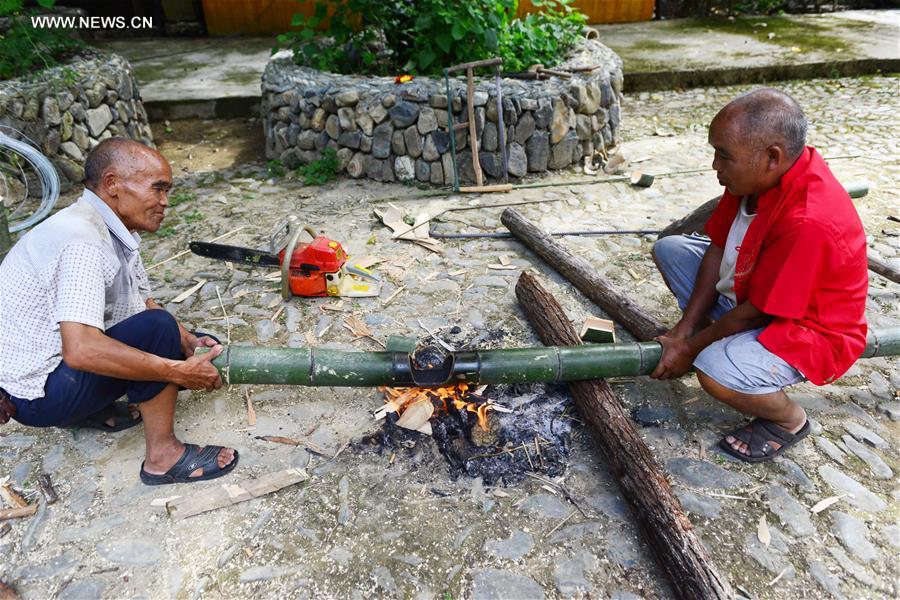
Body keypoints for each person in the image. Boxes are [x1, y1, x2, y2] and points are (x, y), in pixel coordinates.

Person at [0, 138, 238, 485]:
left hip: (43, 372)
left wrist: (187, 340)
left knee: (179, 338)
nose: (164, 201)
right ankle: (163, 458)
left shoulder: (107, 225)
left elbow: (141, 301)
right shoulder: (82, 240)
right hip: (37, 394)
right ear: (112, 184)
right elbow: (81, 349)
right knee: (158, 332)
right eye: (157, 188)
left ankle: (91, 410)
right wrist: (176, 371)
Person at [650, 89, 868, 463]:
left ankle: (788, 421)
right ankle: (721, 337)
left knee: (714, 371)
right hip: (756, 292)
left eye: (724, 155)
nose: (715, 165)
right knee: (670, 249)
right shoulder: (751, 178)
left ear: (771, 157)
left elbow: (757, 312)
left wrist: (692, 350)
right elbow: (717, 247)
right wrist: (685, 331)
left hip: (806, 328)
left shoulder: (809, 218)